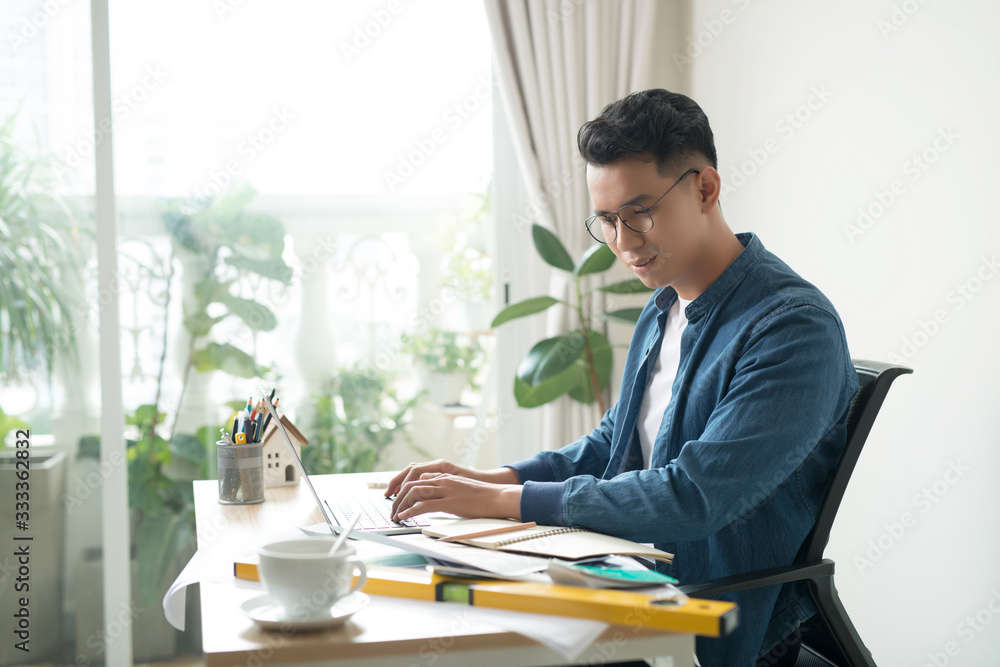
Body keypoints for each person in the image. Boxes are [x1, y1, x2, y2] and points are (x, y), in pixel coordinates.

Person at [386, 89, 857, 667]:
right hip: (627, 580)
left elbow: (696, 496)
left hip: (704, 622)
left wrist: (503, 501)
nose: (624, 243)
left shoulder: (792, 328)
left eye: (640, 213)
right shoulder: (664, 307)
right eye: (607, 220)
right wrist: (489, 478)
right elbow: (613, 445)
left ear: (705, 189)